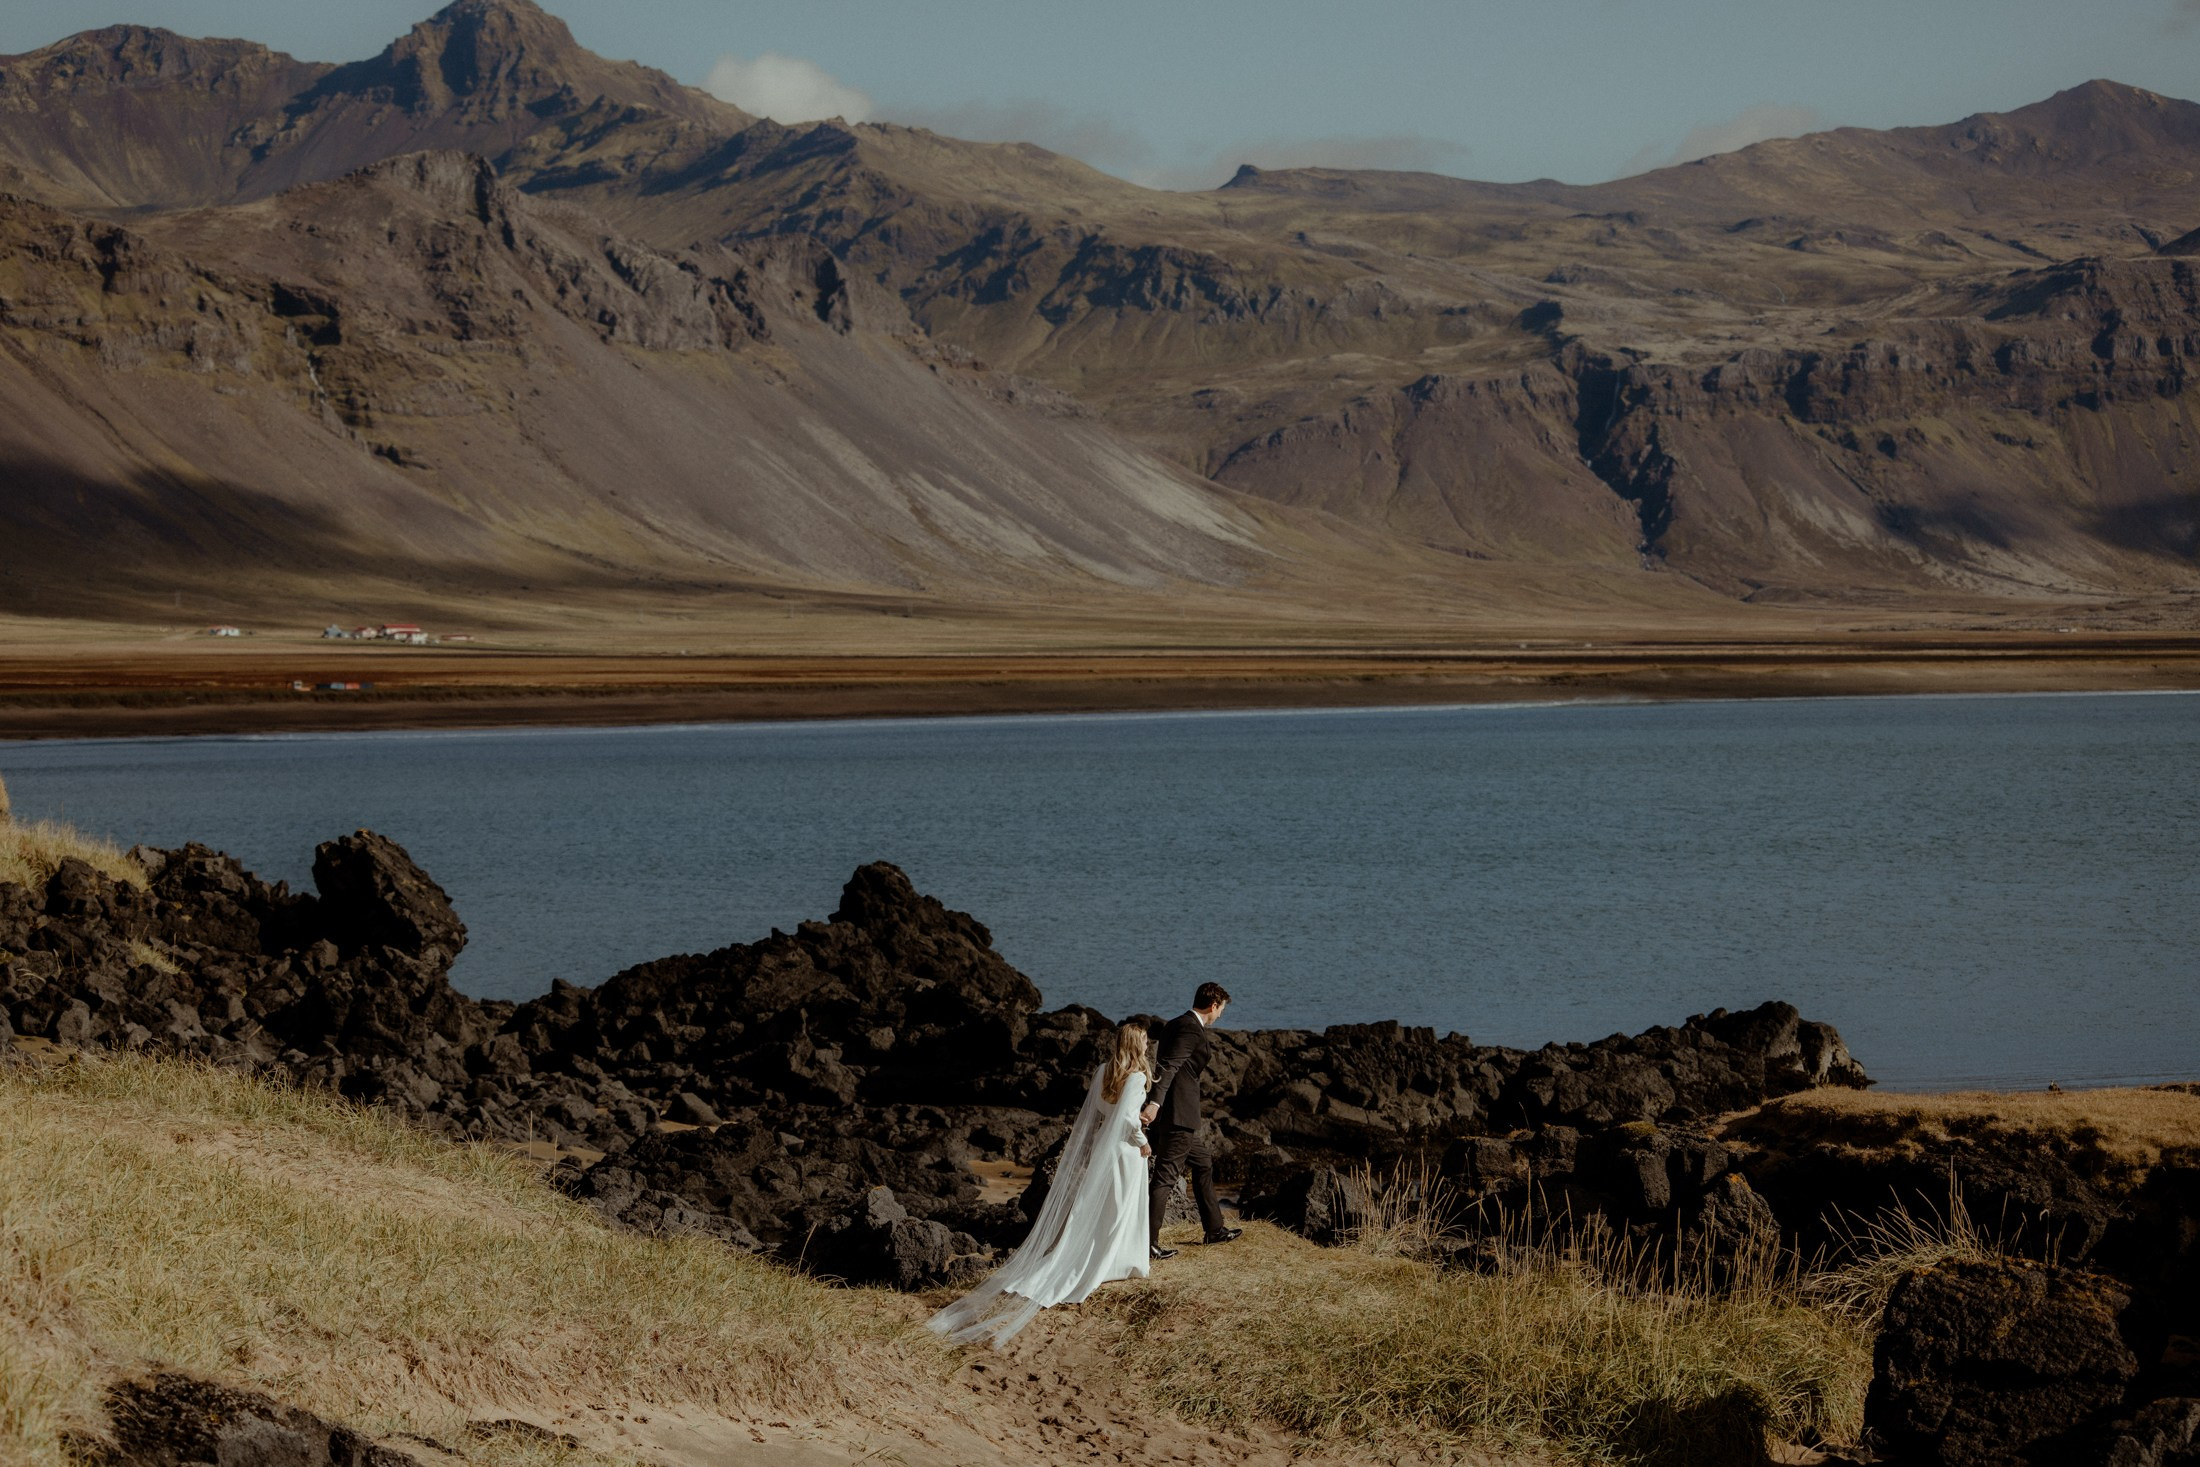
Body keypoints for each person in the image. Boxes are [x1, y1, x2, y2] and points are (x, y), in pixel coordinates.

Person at [925, 1023, 1156, 1347]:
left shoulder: (1104, 1071)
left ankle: (1109, 1257)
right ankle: (1117, 1261)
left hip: (1105, 1143)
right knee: (1120, 1207)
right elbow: (1130, 1119)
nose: (1148, 1045)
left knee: (1102, 1206)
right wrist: (1142, 1141)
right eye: (1144, 1040)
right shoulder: (1135, 1078)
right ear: (1135, 1043)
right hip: (1124, 1149)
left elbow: (1103, 1112)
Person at [1142, 981, 1241, 1259]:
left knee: (1204, 1162)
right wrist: (1155, 1103)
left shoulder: (1174, 1023)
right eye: (1221, 1009)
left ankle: (1214, 1230)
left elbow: (1167, 1064)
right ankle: (1147, 1243)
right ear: (1213, 1005)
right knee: (1164, 1179)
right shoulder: (1189, 1028)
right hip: (1178, 1116)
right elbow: (1170, 1065)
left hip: (1175, 1116)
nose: (1220, 1015)